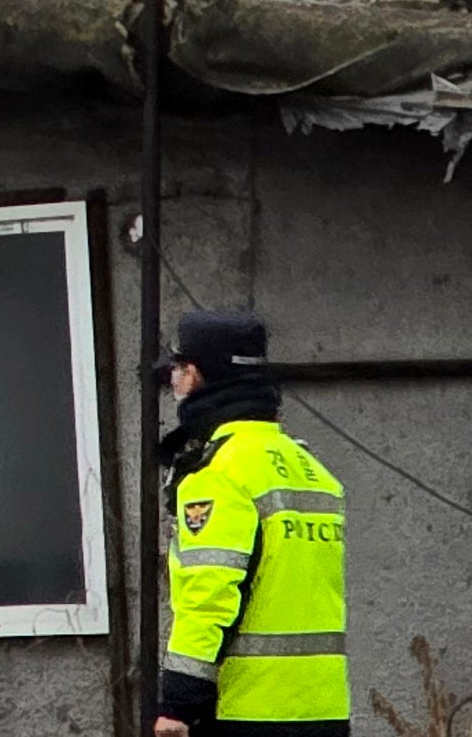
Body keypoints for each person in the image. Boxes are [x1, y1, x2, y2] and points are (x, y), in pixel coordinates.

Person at [157, 310, 348, 737]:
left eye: (178, 368)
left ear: (197, 375)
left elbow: (208, 596)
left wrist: (178, 704)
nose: (172, 380)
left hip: (247, 710)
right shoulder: (308, 468)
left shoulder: (218, 473)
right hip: (323, 707)